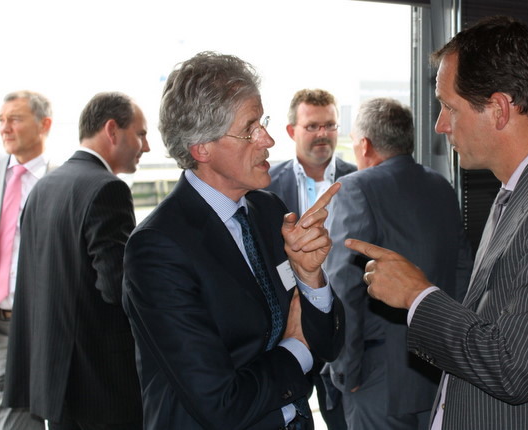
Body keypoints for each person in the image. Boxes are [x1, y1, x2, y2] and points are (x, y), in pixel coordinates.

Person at [346, 15, 528, 429]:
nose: (441, 125)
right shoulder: (520, 190)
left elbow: (513, 366)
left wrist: (416, 295)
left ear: (498, 109)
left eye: (449, 107)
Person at [122, 51, 345, 430]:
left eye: (264, 123)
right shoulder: (158, 248)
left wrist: (311, 279)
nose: (268, 140)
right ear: (201, 148)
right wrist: (297, 347)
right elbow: (221, 404)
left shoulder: (269, 211)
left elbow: (330, 344)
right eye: (250, 129)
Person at [3, 92, 150, 429]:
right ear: (112, 130)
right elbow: (117, 287)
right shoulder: (108, 189)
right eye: (140, 134)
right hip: (103, 384)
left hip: (55, 380)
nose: (146, 146)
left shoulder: (44, 187)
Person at [325, 97, 472, 430]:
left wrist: (346, 371)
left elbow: (344, 288)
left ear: (364, 144)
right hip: (439, 369)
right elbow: (464, 274)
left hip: (377, 377)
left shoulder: (354, 188)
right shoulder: (441, 186)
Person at [265, 88, 355, 430]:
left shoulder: (358, 180)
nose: (322, 134)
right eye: (312, 126)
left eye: (330, 125)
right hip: (287, 329)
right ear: (292, 131)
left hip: (342, 328)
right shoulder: (265, 188)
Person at [0, 90, 53, 430]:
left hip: (35, 322)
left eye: (15, 119)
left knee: (18, 414)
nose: (5, 128)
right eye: (1, 120)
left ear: (44, 124)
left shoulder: (61, 181)